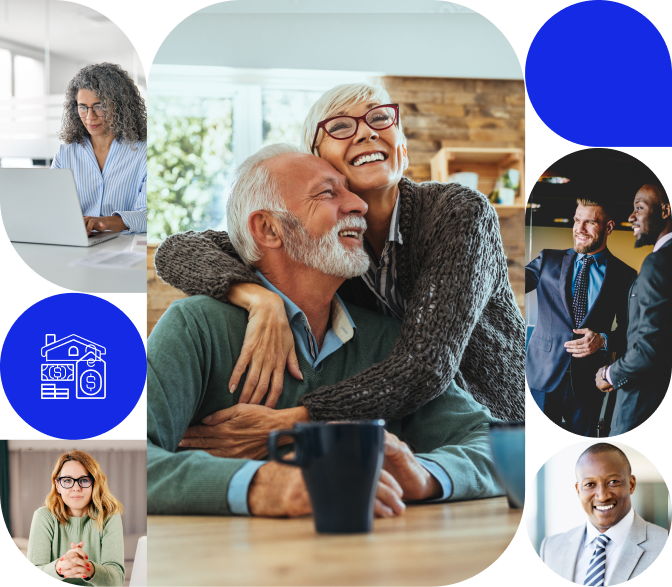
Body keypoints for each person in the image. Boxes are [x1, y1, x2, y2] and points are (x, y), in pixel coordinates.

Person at [147, 143, 505, 517]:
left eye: (350, 191)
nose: (359, 205)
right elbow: (125, 457)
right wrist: (263, 484)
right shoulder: (196, 328)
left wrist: (426, 475)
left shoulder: (387, 341)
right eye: (328, 193)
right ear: (268, 228)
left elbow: (499, 445)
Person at [153, 81, 525, 428]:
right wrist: (257, 298)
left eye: (380, 118)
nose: (367, 131)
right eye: (342, 126)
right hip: (398, 421)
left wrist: (295, 420)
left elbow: (425, 364)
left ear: (403, 150)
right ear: (318, 160)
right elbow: (178, 250)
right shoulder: (328, 241)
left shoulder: (459, 212)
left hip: (492, 423)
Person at [526, 199, 637, 437]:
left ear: (608, 227)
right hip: (542, 373)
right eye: (577, 220)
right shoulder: (548, 260)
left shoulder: (624, 275)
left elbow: (631, 332)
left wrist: (604, 340)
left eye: (590, 222)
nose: (580, 228)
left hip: (589, 380)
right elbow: (508, 282)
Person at [595, 184, 672, 435]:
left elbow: (648, 350)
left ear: (665, 210)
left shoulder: (658, 263)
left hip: (643, 402)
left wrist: (609, 373)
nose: (631, 217)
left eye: (639, 207)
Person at [539, 443, 668, 584]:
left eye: (613, 482)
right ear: (578, 490)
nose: (602, 496)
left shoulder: (662, 543)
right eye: (590, 484)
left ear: (631, 484)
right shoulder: (551, 548)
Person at [51, 62, 147, 235]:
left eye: (99, 106)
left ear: (120, 106)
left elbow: (147, 215)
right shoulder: (66, 154)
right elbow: (51, 206)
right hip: (78, 245)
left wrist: (102, 222)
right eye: (82, 107)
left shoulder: (143, 153)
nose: (89, 117)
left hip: (126, 249)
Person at [26, 450, 125, 584]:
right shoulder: (43, 517)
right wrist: (60, 567)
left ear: (94, 484)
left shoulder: (109, 515)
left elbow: (117, 580)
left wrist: (88, 569)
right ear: (58, 486)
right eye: (67, 480)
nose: (76, 487)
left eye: (84, 480)